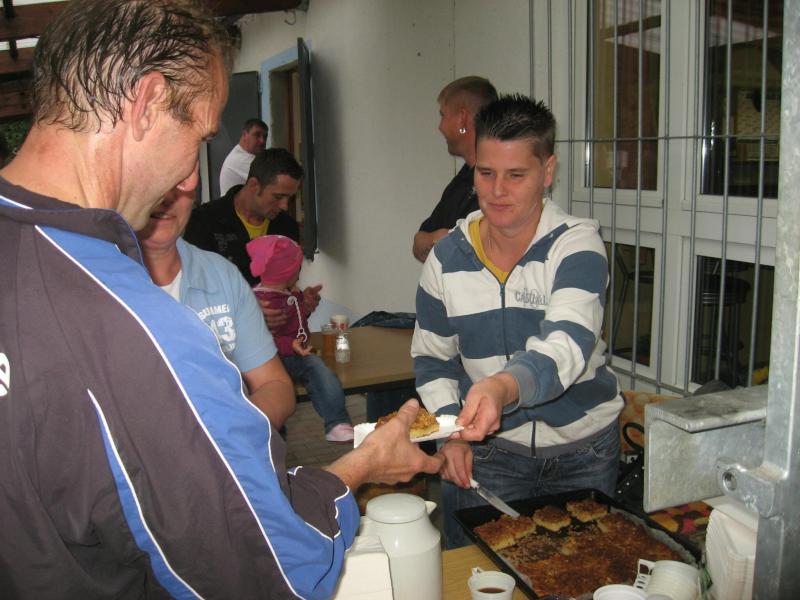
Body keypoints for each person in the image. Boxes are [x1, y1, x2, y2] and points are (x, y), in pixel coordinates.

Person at [0, 1, 443, 598]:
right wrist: (364, 465)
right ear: (148, 102)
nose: (190, 177)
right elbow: (271, 567)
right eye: (201, 136)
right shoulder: (137, 325)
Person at [412, 94, 623, 549]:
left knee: (581, 572)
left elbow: (566, 343)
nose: (497, 191)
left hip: (583, 452)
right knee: (477, 574)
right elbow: (433, 359)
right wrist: (450, 433)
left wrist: (502, 387)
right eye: (486, 173)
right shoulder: (446, 258)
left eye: (516, 175)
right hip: (489, 455)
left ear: (547, 172)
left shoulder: (577, 246)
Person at [138, 178, 296, 429]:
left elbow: (275, 386)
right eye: (156, 179)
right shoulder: (93, 282)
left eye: (180, 182)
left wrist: (231, 434)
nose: (167, 196)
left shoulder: (222, 275)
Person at [185, 146, 323, 329]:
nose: (284, 206)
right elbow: (191, 294)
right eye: (278, 197)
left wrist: (299, 304)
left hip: (273, 341)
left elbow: (285, 289)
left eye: (290, 198)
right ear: (253, 185)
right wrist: (248, 312)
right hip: (220, 339)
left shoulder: (287, 228)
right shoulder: (204, 222)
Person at [247, 235, 355, 443]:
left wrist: (303, 306)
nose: (299, 273)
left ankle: (337, 423)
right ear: (289, 272)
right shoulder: (261, 301)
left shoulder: (285, 294)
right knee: (313, 372)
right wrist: (290, 344)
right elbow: (258, 338)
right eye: (298, 268)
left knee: (322, 372)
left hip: (295, 355)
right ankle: (272, 438)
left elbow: (290, 322)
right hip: (270, 363)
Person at [412, 76, 498, 263]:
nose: (440, 127)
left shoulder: (498, 185)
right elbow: (420, 240)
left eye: (443, 115)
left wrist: (445, 239)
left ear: (462, 119)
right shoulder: (463, 178)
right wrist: (438, 238)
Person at [219, 117, 268, 195]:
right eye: (257, 135)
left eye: (265, 137)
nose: (262, 141)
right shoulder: (240, 159)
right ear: (245, 135)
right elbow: (273, 181)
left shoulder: (242, 154)